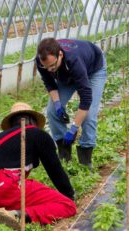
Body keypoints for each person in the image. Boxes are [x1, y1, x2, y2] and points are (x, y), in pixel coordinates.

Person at [0, 102, 77, 230]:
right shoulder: (37, 134)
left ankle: (4, 209)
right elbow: (55, 170)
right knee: (67, 206)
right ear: (34, 121)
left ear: (12, 123)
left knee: (21, 191)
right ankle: (16, 214)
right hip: (1, 187)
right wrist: (69, 195)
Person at [36, 37, 107, 168]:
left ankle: (85, 160)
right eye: (46, 67)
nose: (50, 70)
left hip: (93, 70)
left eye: (52, 66)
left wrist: (74, 128)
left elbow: (86, 99)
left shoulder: (74, 60)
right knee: (51, 111)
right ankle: (64, 154)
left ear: (60, 54)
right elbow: (50, 83)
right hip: (66, 74)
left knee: (89, 115)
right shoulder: (42, 61)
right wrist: (58, 105)